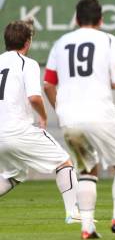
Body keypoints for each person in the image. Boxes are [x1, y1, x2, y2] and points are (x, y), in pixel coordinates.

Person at [44, 0, 115, 239]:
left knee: (88, 170)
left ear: (77, 19)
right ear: (101, 20)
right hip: (99, 114)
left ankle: (87, 227)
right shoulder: (108, 40)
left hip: (69, 118)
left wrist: (60, 109)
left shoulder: (60, 42)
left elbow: (48, 83)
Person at [0, 19, 80, 224]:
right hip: (18, 131)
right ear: (27, 43)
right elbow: (34, 97)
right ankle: (73, 214)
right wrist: (43, 116)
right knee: (64, 163)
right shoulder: (28, 64)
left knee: (13, 175)